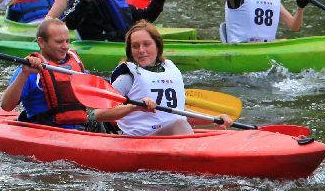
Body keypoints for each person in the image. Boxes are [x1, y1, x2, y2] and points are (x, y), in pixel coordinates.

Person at [90, 21, 233, 135]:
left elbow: (180, 114)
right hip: (139, 141)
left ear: (157, 46)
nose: (141, 50)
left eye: (146, 44)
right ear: (130, 51)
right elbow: (97, 114)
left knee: (180, 122)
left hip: (169, 135)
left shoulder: (171, 70)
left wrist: (213, 119)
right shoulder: (127, 77)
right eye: (135, 46)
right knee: (180, 124)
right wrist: (134, 107)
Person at [0, 18, 95, 128]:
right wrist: (24, 74)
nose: (66, 46)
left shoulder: (76, 66)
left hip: (80, 131)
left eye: (67, 41)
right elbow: (6, 106)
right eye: (59, 42)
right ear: (41, 42)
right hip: (46, 132)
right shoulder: (29, 71)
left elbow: (94, 99)